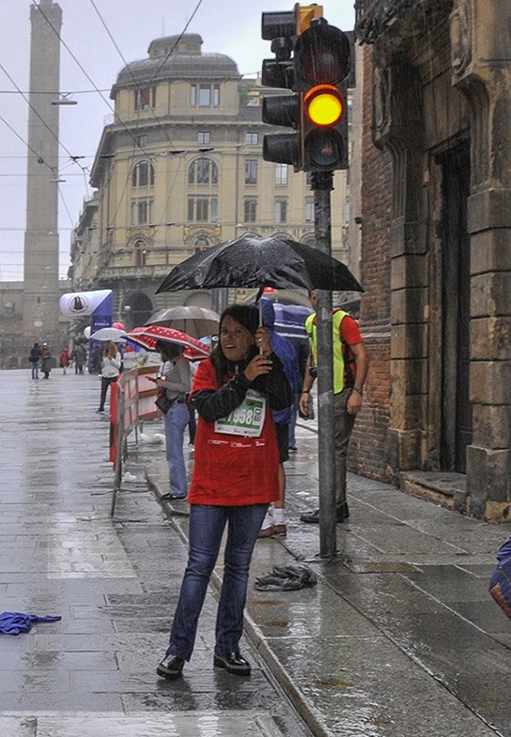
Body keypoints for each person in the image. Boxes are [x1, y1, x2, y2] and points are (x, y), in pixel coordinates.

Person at [157, 305, 292, 681]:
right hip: (212, 484)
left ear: (253, 336)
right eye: (225, 332)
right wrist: (244, 379)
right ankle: (177, 651)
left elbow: (283, 401)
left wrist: (270, 361)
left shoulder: (266, 366)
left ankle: (227, 648)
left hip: (253, 483)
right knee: (198, 567)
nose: (229, 339)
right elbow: (210, 409)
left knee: (238, 569)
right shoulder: (207, 369)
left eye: (238, 332)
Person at [298, 291, 367, 523]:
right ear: (309, 299)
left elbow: (362, 355)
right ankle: (338, 505)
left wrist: (357, 392)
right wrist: (305, 390)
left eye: (321, 295)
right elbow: (313, 358)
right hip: (326, 393)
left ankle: (333, 506)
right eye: (313, 296)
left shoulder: (343, 321)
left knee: (335, 450)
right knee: (330, 449)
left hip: (343, 391)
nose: (317, 300)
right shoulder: (311, 322)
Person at [259, 295, 303, 538]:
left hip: (263, 416)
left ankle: (263, 519)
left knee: (260, 465)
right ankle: (280, 515)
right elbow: (294, 380)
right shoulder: (286, 344)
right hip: (283, 415)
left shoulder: (258, 345)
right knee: (278, 463)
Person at [154, 340, 195, 501]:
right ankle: (177, 488)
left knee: (174, 452)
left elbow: (186, 386)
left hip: (177, 409)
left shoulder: (182, 363)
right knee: (173, 451)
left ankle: (178, 490)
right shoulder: (176, 364)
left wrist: (165, 383)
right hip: (175, 408)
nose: (160, 354)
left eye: (161, 350)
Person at [98, 340, 123, 413]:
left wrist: (111, 359)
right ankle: (101, 407)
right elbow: (104, 365)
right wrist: (101, 362)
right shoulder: (105, 354)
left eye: (107, 346)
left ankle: (115, 406)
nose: (105, 347)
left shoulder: (117, 354)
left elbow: (118, 365)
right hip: (105, 375)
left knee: (114, 393)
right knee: (103, 392)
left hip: (113, 375)